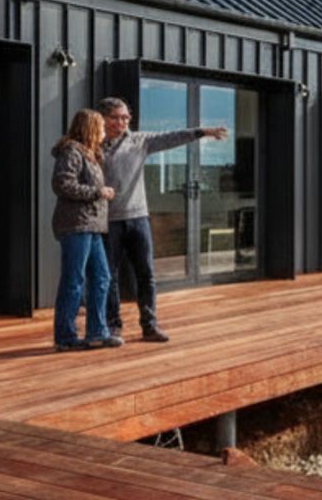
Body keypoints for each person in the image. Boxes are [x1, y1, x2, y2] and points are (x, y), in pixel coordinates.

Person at [97, 97, 227, 343]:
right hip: (107, 221)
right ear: (103, 118)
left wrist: (200, 132)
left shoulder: (139, 142)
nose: (121, 122)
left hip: (138, 219)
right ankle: (113, 326)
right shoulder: (93, 145)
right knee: (109, 276)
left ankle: (150, 326)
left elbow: (171, 137)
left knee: (146, 274)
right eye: (115, 117)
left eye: (125, 117)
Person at [50, 109, 119, 352]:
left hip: (92, 226)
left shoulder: (91, 155)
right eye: (100, 128)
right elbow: (62, 184)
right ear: (90, 129)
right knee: (74, 280)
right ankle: (65, 337)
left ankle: (97, 331)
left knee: (101, 277)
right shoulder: (71, 152)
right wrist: (97, 192)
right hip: (76, 225)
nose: (103, 133)